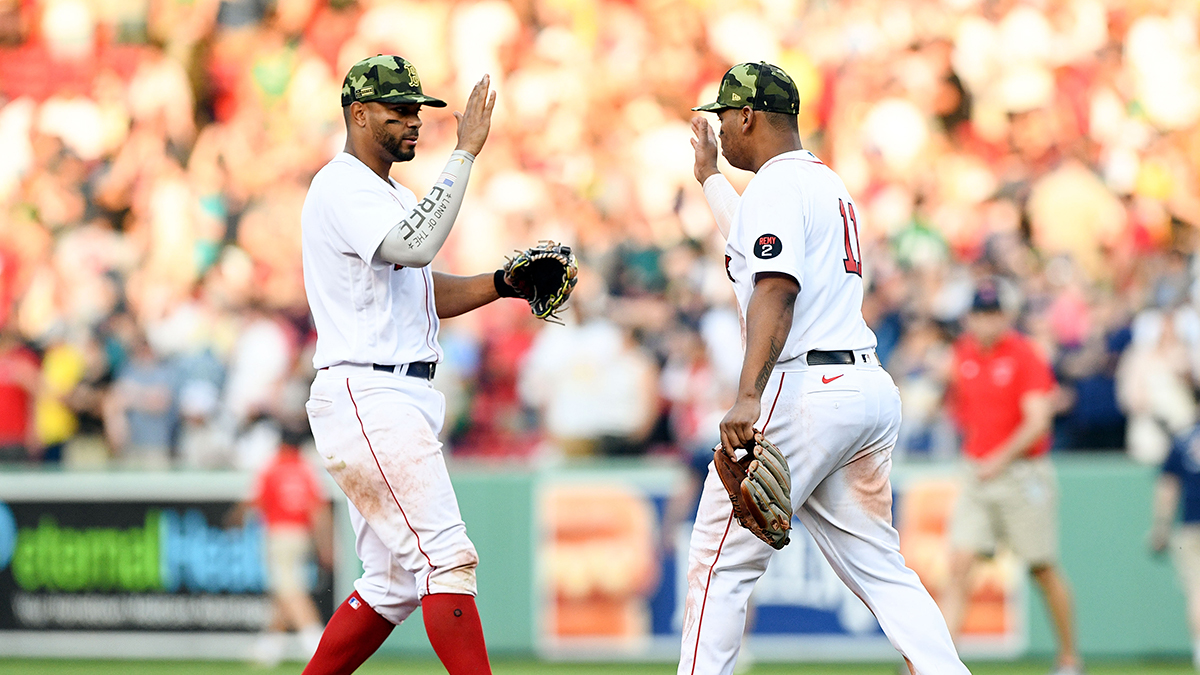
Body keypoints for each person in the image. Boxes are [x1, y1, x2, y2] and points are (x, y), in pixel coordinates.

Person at [679, 62, 969, 675]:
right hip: (862, 385)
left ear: (747, 116)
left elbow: (776, 288)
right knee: (882, 570)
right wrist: (709, 179)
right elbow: (751, 251)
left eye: (724, 117)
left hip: (804, 387)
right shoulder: (827, 184)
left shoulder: (776, 188)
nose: (721, 130)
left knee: (716, 561)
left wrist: (748, 395)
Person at [299, 55, 515, 674]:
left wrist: (501, 282)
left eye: (418, 109)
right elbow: (416, 248)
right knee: (448, 558)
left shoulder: (391, 192)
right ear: (358, 113)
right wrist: (466, 152)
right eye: (399, 109)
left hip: (389, 392)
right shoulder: (341, 184)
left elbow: (422, 291)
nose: (415, 120)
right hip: (369, 392)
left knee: (392, 582)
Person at [941, 280, 1083, 675]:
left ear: (1006, 315)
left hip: (1021, 473)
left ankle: (1070, 658)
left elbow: (1038, 422)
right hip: (978, 471)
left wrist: (998, 460)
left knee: (1042, 566)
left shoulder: (1024, 354)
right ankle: (941, 663)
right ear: (971, 317)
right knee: (959, 564)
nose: (987, 321)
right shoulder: (963, 354)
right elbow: (964, 412)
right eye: (981, 313)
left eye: (994, 313)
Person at [234, 427, 333, 667]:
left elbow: (252, 501)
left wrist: (233, 519)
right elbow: (319, 510)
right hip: (301, 535)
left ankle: (316, 643)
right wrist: (326, 544)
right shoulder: (306, 468)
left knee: (290, 590)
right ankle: (270, 646)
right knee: (282, 589)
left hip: (279, 534)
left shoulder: (271, 467)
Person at [1150, 422, 1200, 671]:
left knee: (1196, 592)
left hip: (1191, 526)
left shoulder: (1184, 440)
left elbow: (1168, 488)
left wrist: (1160, 528)